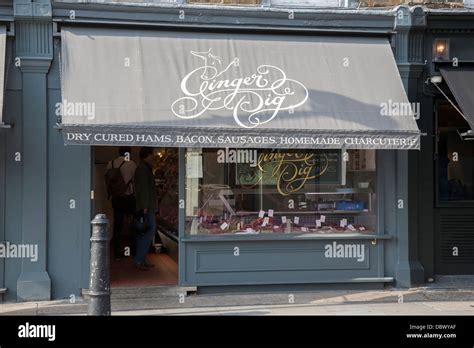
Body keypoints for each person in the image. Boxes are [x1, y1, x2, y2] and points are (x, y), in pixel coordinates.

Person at [107, 146, 137, 260]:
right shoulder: (132, 164)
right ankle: (132, 250)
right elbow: (135, 181)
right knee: (132, 223)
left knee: (118, 224)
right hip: (128, 197)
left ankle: (117, 253)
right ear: (128, 153)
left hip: (116, 197)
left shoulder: (111, 163)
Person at [133, 147, 157, 270]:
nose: (153, 156)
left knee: (146, 232)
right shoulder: (143, 169)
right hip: (146, 207)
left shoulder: (144, 168)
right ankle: (139, 259)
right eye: (152, 154)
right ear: (147, 155)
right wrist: (145, 207)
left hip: (147, 206)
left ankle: (142, 259)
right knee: (148, 232)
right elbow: (143, 190)